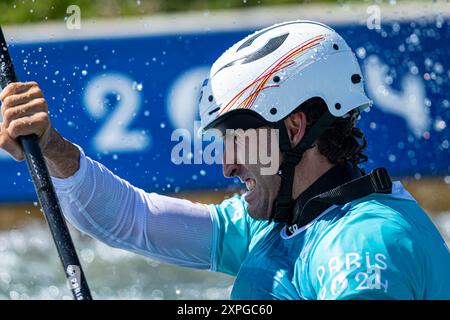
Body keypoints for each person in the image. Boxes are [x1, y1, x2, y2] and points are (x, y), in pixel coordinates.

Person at [0, 20, 449, 300]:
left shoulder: (364, 247)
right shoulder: (280, 221)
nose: (228, 166)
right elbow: (132, 220)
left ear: (293, 129)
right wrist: (52, 146)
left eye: (238, 140)